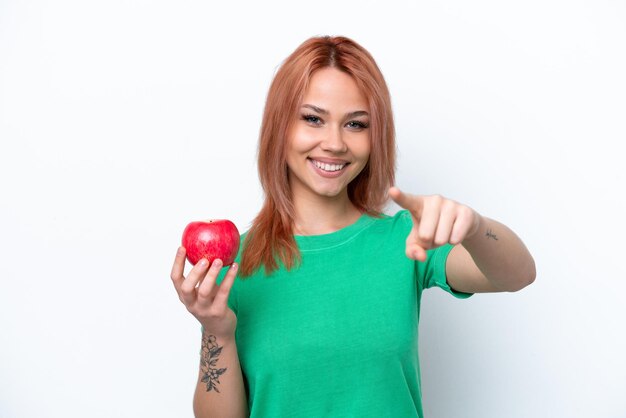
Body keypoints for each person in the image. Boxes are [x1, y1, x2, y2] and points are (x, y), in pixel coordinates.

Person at [170, 35, 536, 418]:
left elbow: (519, 274)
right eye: (313, 118)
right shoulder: (233, 263)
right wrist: (216, 330)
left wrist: (475, 227)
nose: (335, 143)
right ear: (280, 127)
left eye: (356, 124)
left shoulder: (406, 239)